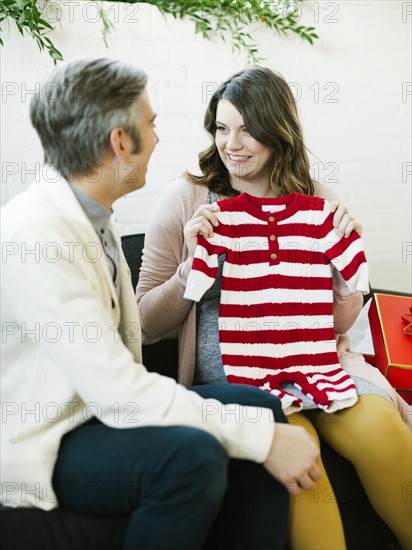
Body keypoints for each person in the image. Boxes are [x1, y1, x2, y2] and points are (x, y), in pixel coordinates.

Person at [0, 57, 323, 550]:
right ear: (119, 141)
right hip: (49, 437)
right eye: (150, 126)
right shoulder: (37, 235)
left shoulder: (94, 220)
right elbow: (118, 390)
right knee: (192, 457)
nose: (156, 139)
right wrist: (266, 440)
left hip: (92, 414)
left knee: (256, 404)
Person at [136, 66, 412, 549]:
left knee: (381, 427)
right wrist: (191, 265)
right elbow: (143, 322)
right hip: (239, 378)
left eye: (248, 129)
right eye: (222, 128)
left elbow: (342, 321)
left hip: (321, 362)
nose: (232, 144)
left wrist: (348, 268)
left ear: (278, 131)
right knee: (302, 459)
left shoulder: (318, 202)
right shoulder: (188, 200)